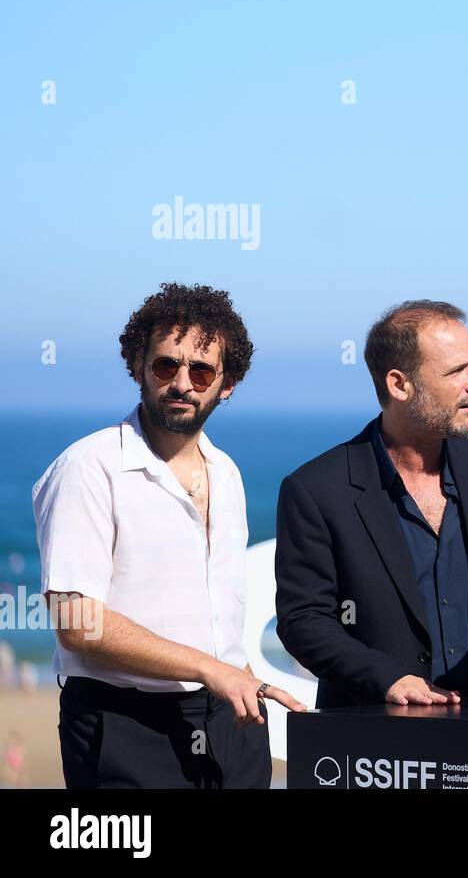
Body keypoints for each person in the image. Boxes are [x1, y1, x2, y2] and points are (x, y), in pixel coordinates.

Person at [33, 283, 303, 789]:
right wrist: (209, 669)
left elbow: (218, 612)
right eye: (165, 365)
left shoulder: (227, 474)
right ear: (138, 367)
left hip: (232, 724)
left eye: (201, 370)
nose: (182, 382)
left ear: (228, 384)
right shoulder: (89, 468)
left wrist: (236, 675)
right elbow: (75, 625)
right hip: (126, 727)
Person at [275, 300, 468, 708]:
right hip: (374, 743)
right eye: (456, 372)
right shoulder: (315, 489)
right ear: (399, 384)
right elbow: (303, 621)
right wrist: (388, 679)